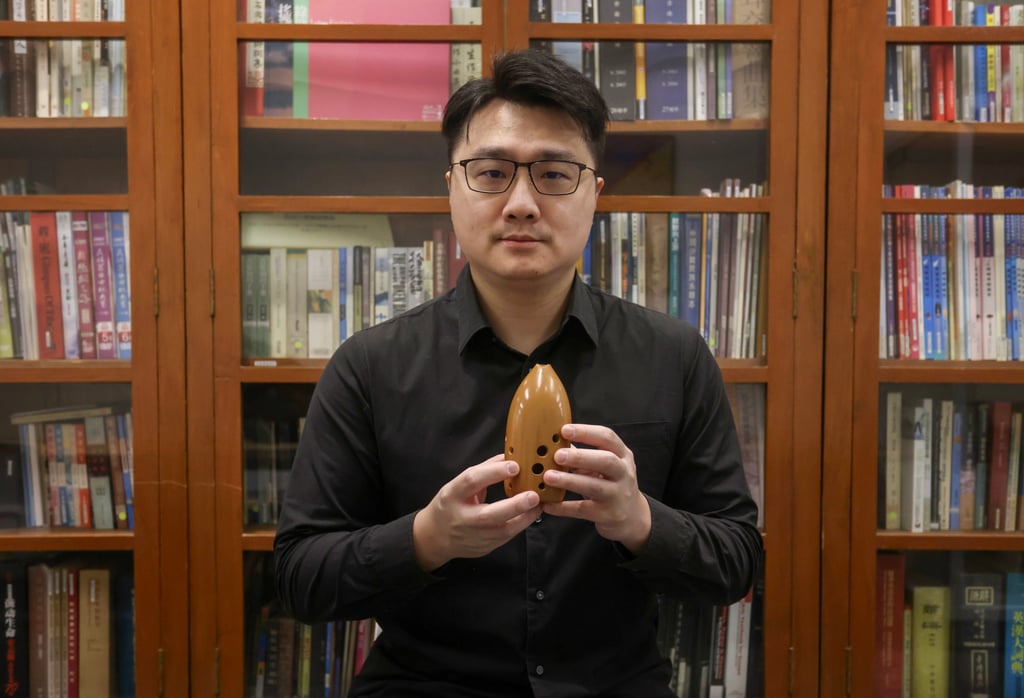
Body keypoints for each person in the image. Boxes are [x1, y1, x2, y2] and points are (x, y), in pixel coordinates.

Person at [274, 48, 763, 697]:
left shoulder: (672, 356)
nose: (522, 203)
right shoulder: (370, 365)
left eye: (555, 174)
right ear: (451, 186)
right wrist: (426, 538)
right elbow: (300, 577)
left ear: (595, 194)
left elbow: (735, 562)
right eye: (492, 172)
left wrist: (638, 521)